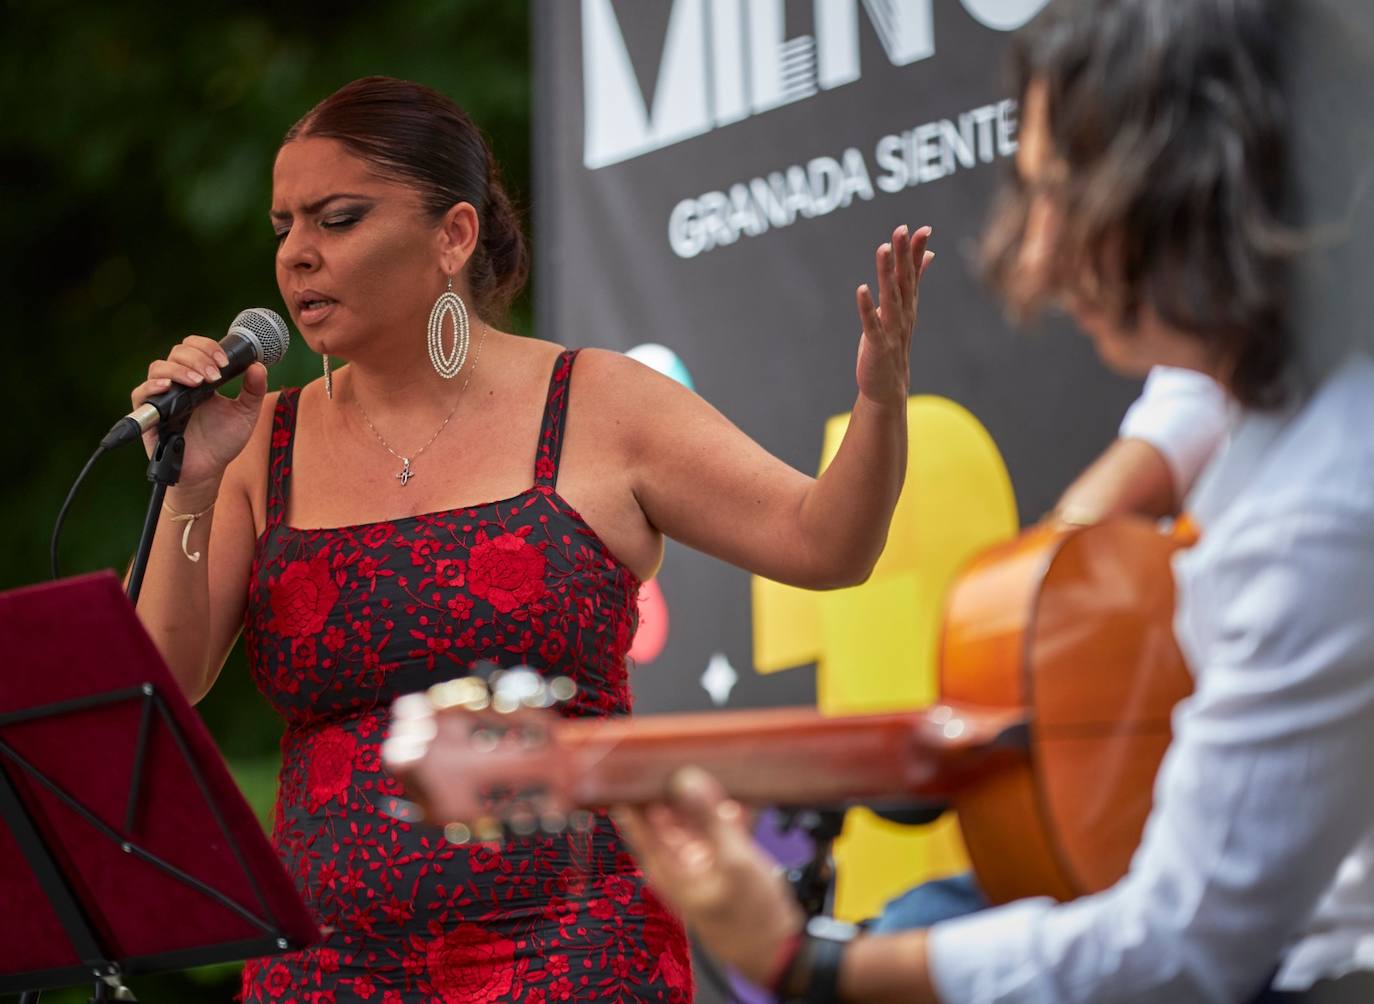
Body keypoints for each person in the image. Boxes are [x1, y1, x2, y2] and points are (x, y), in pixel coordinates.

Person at [618, 1, 1374, 1001]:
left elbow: (1184, 947)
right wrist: (1053, 607)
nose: (1043, 256)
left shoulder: (1318, 513)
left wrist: (801, 961)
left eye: (1070, 197)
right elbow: (1191, 398)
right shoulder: (1290, 377)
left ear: (1202, 191)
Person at [126, 76, 932, 1001]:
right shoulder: (256, 437)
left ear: (454, 236)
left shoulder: (598, 402)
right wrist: (188, 491)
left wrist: (880, 401)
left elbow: (826, 543)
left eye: (336, 219)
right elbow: (165, 681)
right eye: (283, 228)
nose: (298, 257)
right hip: (327, 964)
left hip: (574, 953)